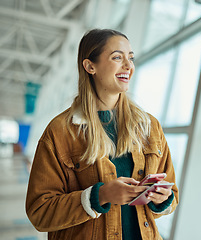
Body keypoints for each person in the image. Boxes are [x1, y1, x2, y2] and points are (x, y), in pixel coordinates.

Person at [25, 29, 179, 240]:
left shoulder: (149, 126)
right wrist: (101, 195)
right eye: (117, 57)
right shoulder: (61, 131)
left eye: (130, 58)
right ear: (90, 66)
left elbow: (173, 198)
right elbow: (39, 212)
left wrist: (163, 198)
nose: (128, 66)